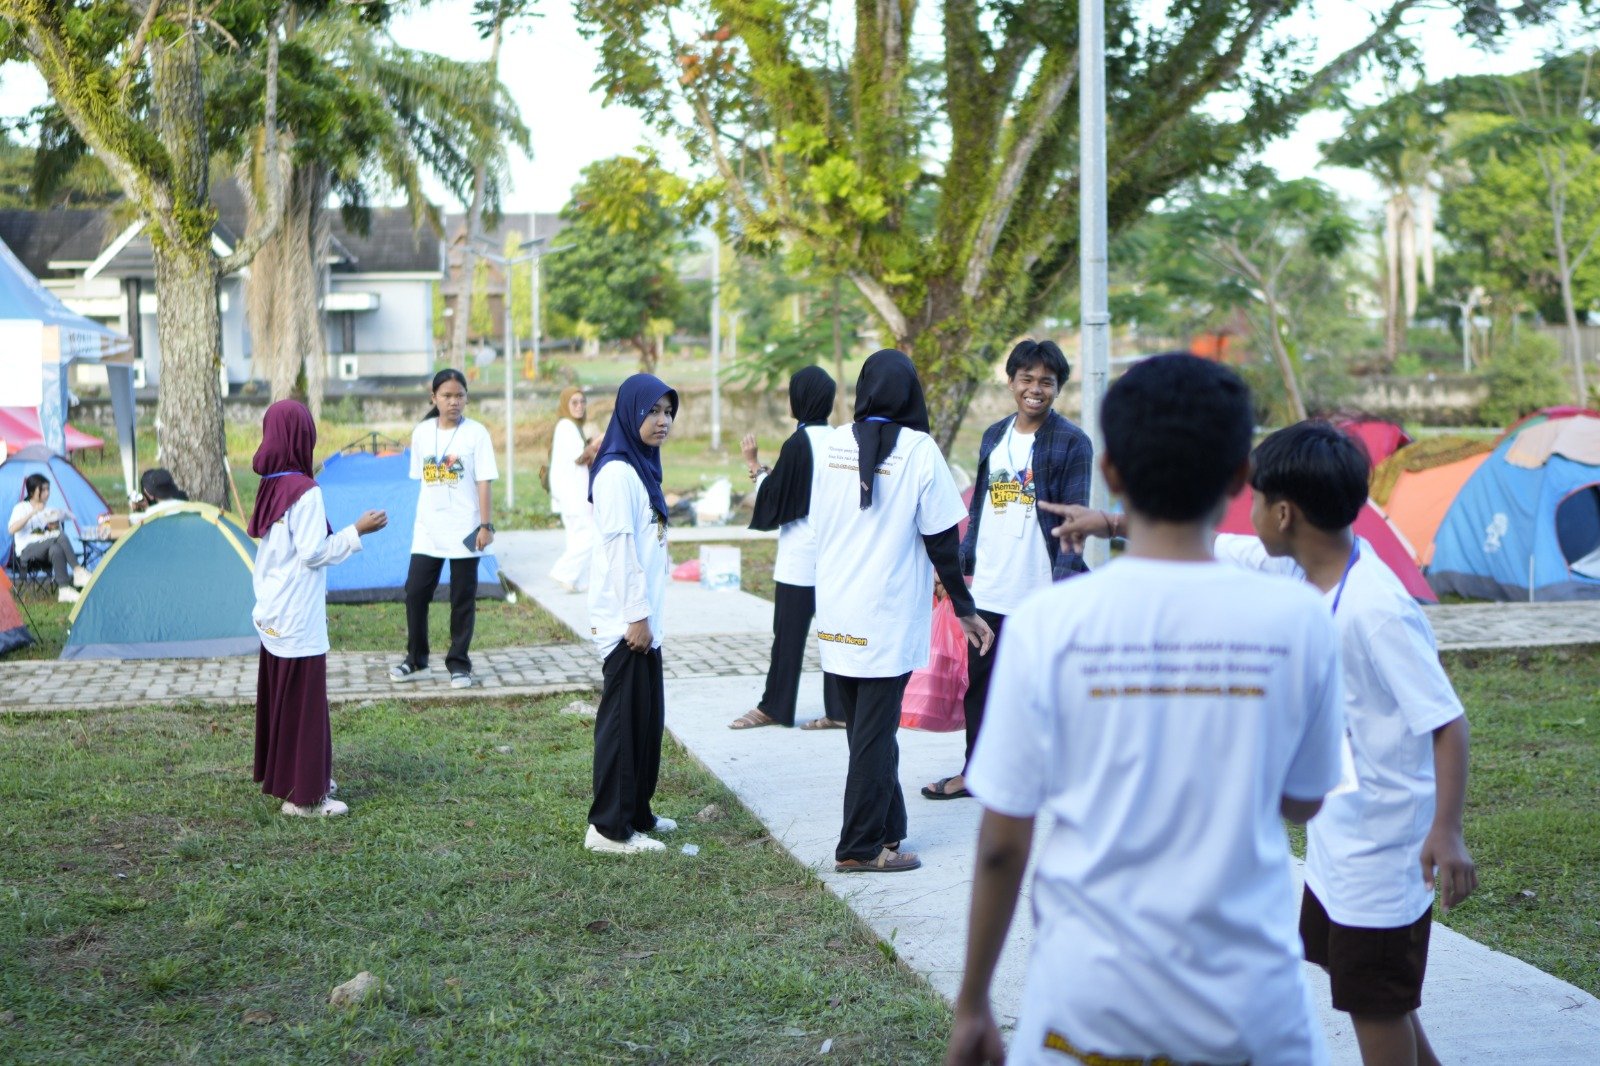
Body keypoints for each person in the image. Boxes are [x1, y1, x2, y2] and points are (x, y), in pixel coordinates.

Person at [946, 354, 1345, 1066]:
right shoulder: (1300, 618)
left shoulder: (1048, 624)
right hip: (1251, 1013)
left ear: (1113, 473)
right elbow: (1303, 800)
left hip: (1085, 1012)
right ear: (1238, 479)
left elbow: (1004, 842)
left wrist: (973, 1001)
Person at [1057, 421, 1478, 1066]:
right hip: (1339, 835)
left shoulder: (1376, 609)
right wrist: (1111, 524)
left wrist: (1446, 832)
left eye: (1255, 500)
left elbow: (1447, 722)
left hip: (1384, 847)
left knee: (1375, 1001)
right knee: (1374, 991)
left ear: (1283, 514)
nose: (1248, 514)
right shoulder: (1300, 568)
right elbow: (1211, 546)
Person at [810, 349, 993, 874]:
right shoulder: (918, 450)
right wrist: (964, 608)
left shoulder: (832, 443)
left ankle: (889, 828)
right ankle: (860, 847)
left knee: (867, 731)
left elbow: (817, 520)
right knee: (873, 733)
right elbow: (942, 542)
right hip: (885, 613)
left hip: (838, 610)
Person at [923, 338, 1091, 801]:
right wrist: (954, 571)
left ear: (1058, 387)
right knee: (981, 690)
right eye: (1026, 379)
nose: (1035, 389)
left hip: (1040, 591)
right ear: (1011, 382)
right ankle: (976, 774)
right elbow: (979, 514)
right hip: (991, 590)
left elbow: (1075, 525)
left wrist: (1062, 594)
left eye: (1046, 382)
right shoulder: (994, 436)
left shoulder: (1072, 442)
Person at [249, 400, 386, 818]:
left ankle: (295, 776)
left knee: (285, 698)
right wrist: (356, 531)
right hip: (296, 613)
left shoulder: (273, 483)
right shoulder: (306, 491)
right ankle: (305, 797)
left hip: (274, 607)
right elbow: (312, 552)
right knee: (305, 703)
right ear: (301, 437)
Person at [584, 373, 681, 855]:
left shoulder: (642, 468)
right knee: (622, 728)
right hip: (626, 622)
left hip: (645, 622)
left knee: (645, 723)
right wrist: (637, 617)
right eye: (653, 411)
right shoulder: (617, 474)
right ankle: (607, 829)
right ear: (630, 413)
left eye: (668, 412)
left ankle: (638, 812)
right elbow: (620, 550)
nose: (663, 421)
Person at [728, 366, 845, 731]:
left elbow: (775, 500)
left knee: (788, 639)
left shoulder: (798, 443)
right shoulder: (843, 440)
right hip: (836, 558)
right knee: (835, 636)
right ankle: (840, 710)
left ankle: (775, 707)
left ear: (800, 399)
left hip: (801, 558)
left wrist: (753, 466)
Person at [390, 368, 498, 689]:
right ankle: (416, 658)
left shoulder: (476, 434)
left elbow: (484, 481)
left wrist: (485, 525)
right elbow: (421, 480)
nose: (454, 402)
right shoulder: (422, 433)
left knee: (462, 597)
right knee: (415, 592)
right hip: (428, 530)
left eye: (459, 395)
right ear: (433, 398)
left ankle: (459, 663)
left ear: (466, 398)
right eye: (447, 396)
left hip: (466, 528)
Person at [548, 386, 598, 593]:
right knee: (592, 534)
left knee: (577, 537)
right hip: (573, 492)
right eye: (574, 402)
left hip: (570, 492)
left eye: (582, 402)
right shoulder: (566, 426)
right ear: (565, 405)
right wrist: (598, 442)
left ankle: (576, 581)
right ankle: (563, 571)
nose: (579, 406)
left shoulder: (571, 426)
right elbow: (579, 457)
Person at [8, 474, 88, 602]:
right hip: (26, 551)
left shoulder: (48, 510)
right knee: (59, 536)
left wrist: (54, 524)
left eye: (48, 489)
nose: (47, 493)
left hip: (44, 549)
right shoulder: (21, 507)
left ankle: (64, 590)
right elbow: (12, 529)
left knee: (56, 549)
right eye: (43, 490)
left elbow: (53, 534)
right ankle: (78, 571)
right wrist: (33, 512)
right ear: (32, 491)